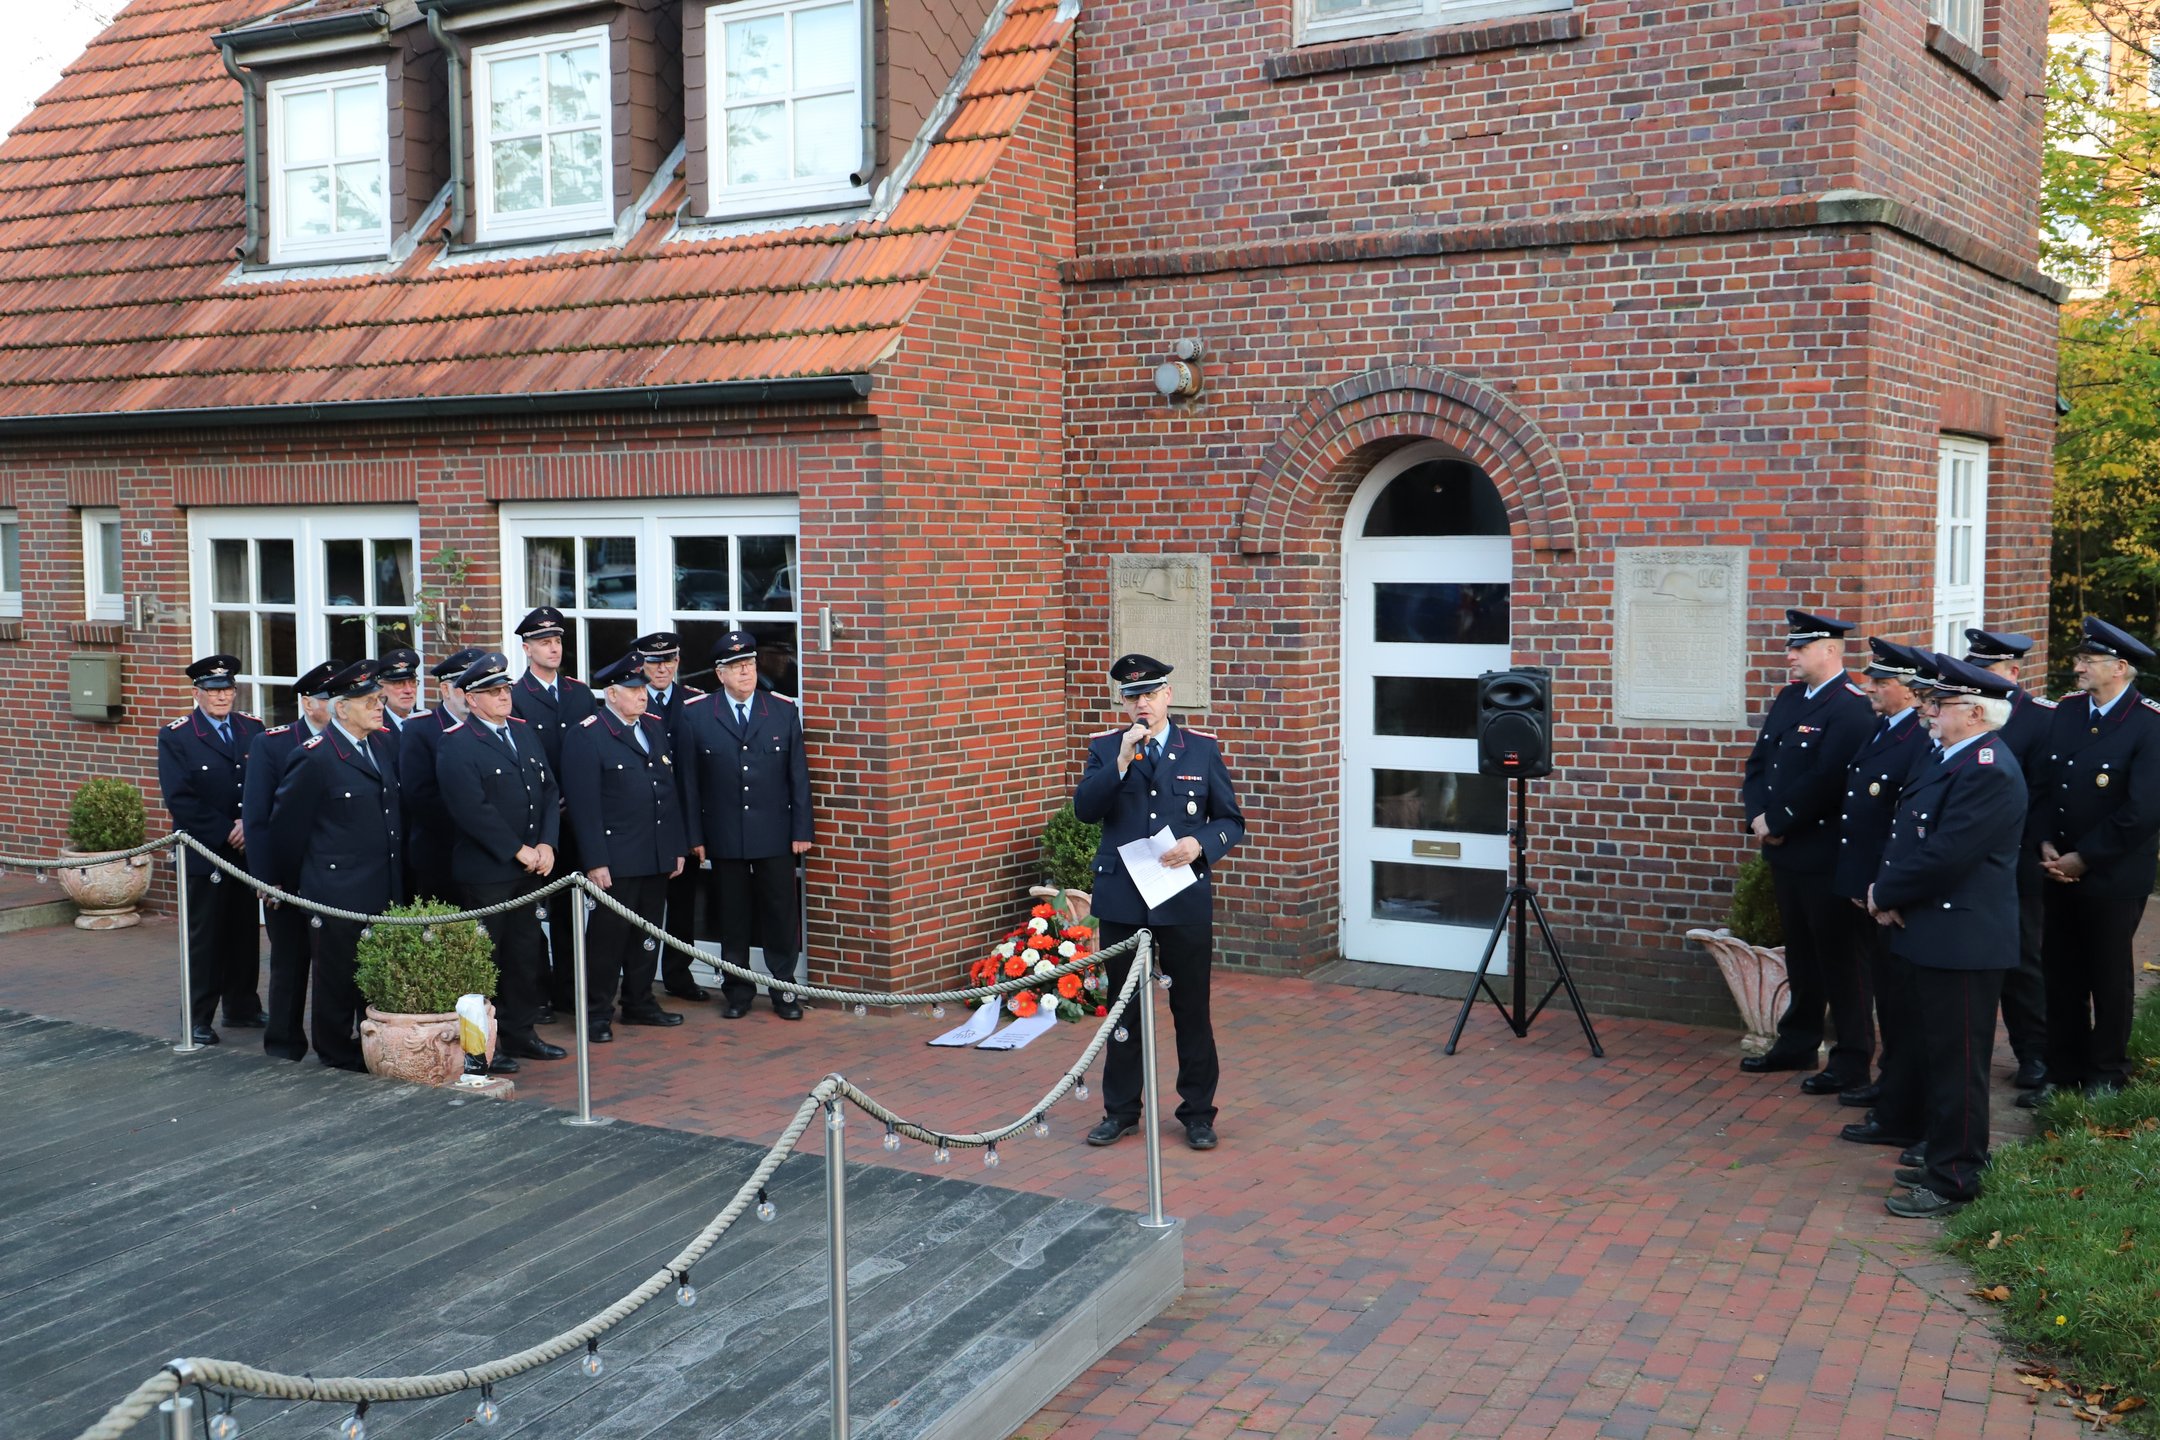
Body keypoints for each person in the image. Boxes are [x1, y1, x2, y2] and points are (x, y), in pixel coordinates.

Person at [1867, 654, 2027, 1218]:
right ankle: (1943, 1153)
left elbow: (1946, 854)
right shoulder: (1953, 758)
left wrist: (1885, 894)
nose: (1930, 712)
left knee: (1959, 1064)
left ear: (1976, 713)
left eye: (1941, 704)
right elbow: (1912, 838)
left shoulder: (1987, 769)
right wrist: (1892, 893)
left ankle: (1955, 1177)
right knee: (1939, 1057)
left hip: (1962, 940)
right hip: (1935, 931)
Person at [1073, 654, 1244, 1151]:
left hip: (1181, 896)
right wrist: (1121, 762)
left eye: (1150, 694)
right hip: (1125, 899)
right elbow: (1085, 811)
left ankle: (1198, 1114)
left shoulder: (1201, 750)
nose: (1142, 704)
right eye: (1132, 697)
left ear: (1168, 695)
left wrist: (1200, 844)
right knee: (1122, 1011)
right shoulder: (1107, 749)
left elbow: (1230, 820)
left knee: (1191, 1010)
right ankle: (1121, 1111)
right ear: (1123, 703)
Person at [2020, 617, 2160, 1107]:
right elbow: (2042, 783)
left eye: (2088, 660)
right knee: (2061, 973)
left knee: (2108, 975)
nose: (2077, 667)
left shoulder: (2148, 723)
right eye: (2079, 658)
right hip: (2058, 867)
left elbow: (2143, 809)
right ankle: (2063, 1069)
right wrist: (2044, 840)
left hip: (2113, 874)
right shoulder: (2068, 711)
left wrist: (2087, 857)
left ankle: (2107, 1072)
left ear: (2120, 668)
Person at [1738, 609, 1875, 1091]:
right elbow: (1760, 763)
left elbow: (1828, 778)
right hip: (1786, 853)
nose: (1790, 656)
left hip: (1824, 855)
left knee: (1841, 960)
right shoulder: (1790, 698)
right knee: (1801, 954)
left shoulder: (1851, 707)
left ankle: (1852, 1057)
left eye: (1800, 648)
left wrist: (1778, 820)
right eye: (1791, 647)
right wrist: (1758, 816)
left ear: (1831, 650)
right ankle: (1797, 1042)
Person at [269, 657, 405, 1071]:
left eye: (379, 700)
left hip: (382, 885)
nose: (378, 707)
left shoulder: (381, 744)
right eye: (369, 701)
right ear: (341, 709)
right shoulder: (314, 757)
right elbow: (287, 830)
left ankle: (370, 1045)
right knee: (336, 979)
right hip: (336, 890)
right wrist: (293, 886)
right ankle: (334, 1053)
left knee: (375, 976)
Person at [673, 630, 813, 1020]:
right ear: (720, 674)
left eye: (749, 664)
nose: (745, 672)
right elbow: (689, 782)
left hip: (775, 832)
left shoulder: (782, 710)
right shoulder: (697, 714)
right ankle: (737, 991)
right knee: (732, 916)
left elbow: (798, 776)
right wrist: (695, 836)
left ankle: (785, 989)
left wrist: (802, 829)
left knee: (780, 914)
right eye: (736, 667)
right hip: (723, 833)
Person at [436, 651, 566, 1066]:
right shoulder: (457, 743)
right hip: (488, 872)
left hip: (531, 867)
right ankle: (480, 1048)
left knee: (524, 956)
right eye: (493, 692)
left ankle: (520, 1034)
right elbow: (471, 809)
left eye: (505, 689)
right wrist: (516, 849)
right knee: (484, 962)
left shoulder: (523, 733)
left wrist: (547, 844)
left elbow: (548, 791)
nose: (504, 697)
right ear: (472, 699)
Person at [1830, 640, 1935, 1149]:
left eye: (1882, 682)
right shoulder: (1885, 726)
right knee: (1887, 996)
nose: (1870, 688)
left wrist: (1881, 888)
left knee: (1899, 1001)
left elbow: (1901, 824)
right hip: (1872, 886)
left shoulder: (1917, 738)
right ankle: (1890, 1087)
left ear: (1910, 692)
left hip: (1890, 891)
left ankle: (1899, 1097)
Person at [561, 651, 687, 1042]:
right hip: (616, 857)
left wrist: (675, 846)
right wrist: (595, 860)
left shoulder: (653, 726)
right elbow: (583, 806)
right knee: (607, 939)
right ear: (612, 694)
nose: (641, 695)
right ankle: (596, 1012)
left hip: (654, 850)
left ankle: (639, 1001)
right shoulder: (588, 734)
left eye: (643, 688)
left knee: (647, 933)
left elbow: (667, 790)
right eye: (632, 689)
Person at [156, 653, 268, 1046]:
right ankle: (198, 1017)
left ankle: (242, 1006)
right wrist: (225, 830)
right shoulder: (177, 736)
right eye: (213, 690)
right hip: (205, 851)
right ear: (197, 693)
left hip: (245, 849)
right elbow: (180, 798)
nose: (222, 697)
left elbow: (262, 783)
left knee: (244, 933)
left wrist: (247, 824)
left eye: (227, 689)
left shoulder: (252, 728)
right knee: (205, 939)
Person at [1962, 628, 2055, 1091]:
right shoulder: (1965, 712)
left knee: (2022, 963)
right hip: (1966, 861)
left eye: (1988, 670)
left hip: (2017, 860)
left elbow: (2047, 795)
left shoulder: (2041, 720)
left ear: (2014, 673)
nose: (1977, 678)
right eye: (1974, 669)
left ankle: (2034, 1055)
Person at [244, 660, 337, 1061]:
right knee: (289, 963)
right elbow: (258, 817)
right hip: (288, 876)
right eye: (327, 698)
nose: (334, 705)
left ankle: (338, 1042)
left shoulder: (351, 741)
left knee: (335, 965)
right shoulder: (274, 744)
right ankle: (283, 1043)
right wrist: (267, 878)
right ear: (307, 703)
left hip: (333, 874)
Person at [511, 606, 596, 1013]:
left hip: (576, 820)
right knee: (532, 914)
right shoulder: (515, 696)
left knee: (570, 912)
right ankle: (537, 993)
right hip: (538, 822)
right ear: (527, 649)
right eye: (544, 642)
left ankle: (569, 992)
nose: (554, 648)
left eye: (558, 641)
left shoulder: (580, 693)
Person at [636, 630, 712, 1002]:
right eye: (654, 662)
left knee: (683, 907)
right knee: (643, 908)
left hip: (683, 819)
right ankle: (639, 982)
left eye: (668, 660)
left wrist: (696, 832)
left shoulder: (696, 701)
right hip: (644, 823)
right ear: (641, 665)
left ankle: (679, 977)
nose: (662, 668)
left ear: (678, 661)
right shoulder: (630, 700)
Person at [400, 646, 485, 907]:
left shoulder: (492, 725)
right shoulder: (420, 730)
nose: (471, 694)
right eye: (464, 687)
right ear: (446, 690)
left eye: (478, 687)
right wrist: (478, 825)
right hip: (443, 855)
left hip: (491, 856)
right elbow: (420, 796)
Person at [377, 647, 426, 733]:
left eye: (412, 682)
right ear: (381, 687)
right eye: (399, 683)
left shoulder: (430, 723)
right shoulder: (373, 727)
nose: (408, 690)